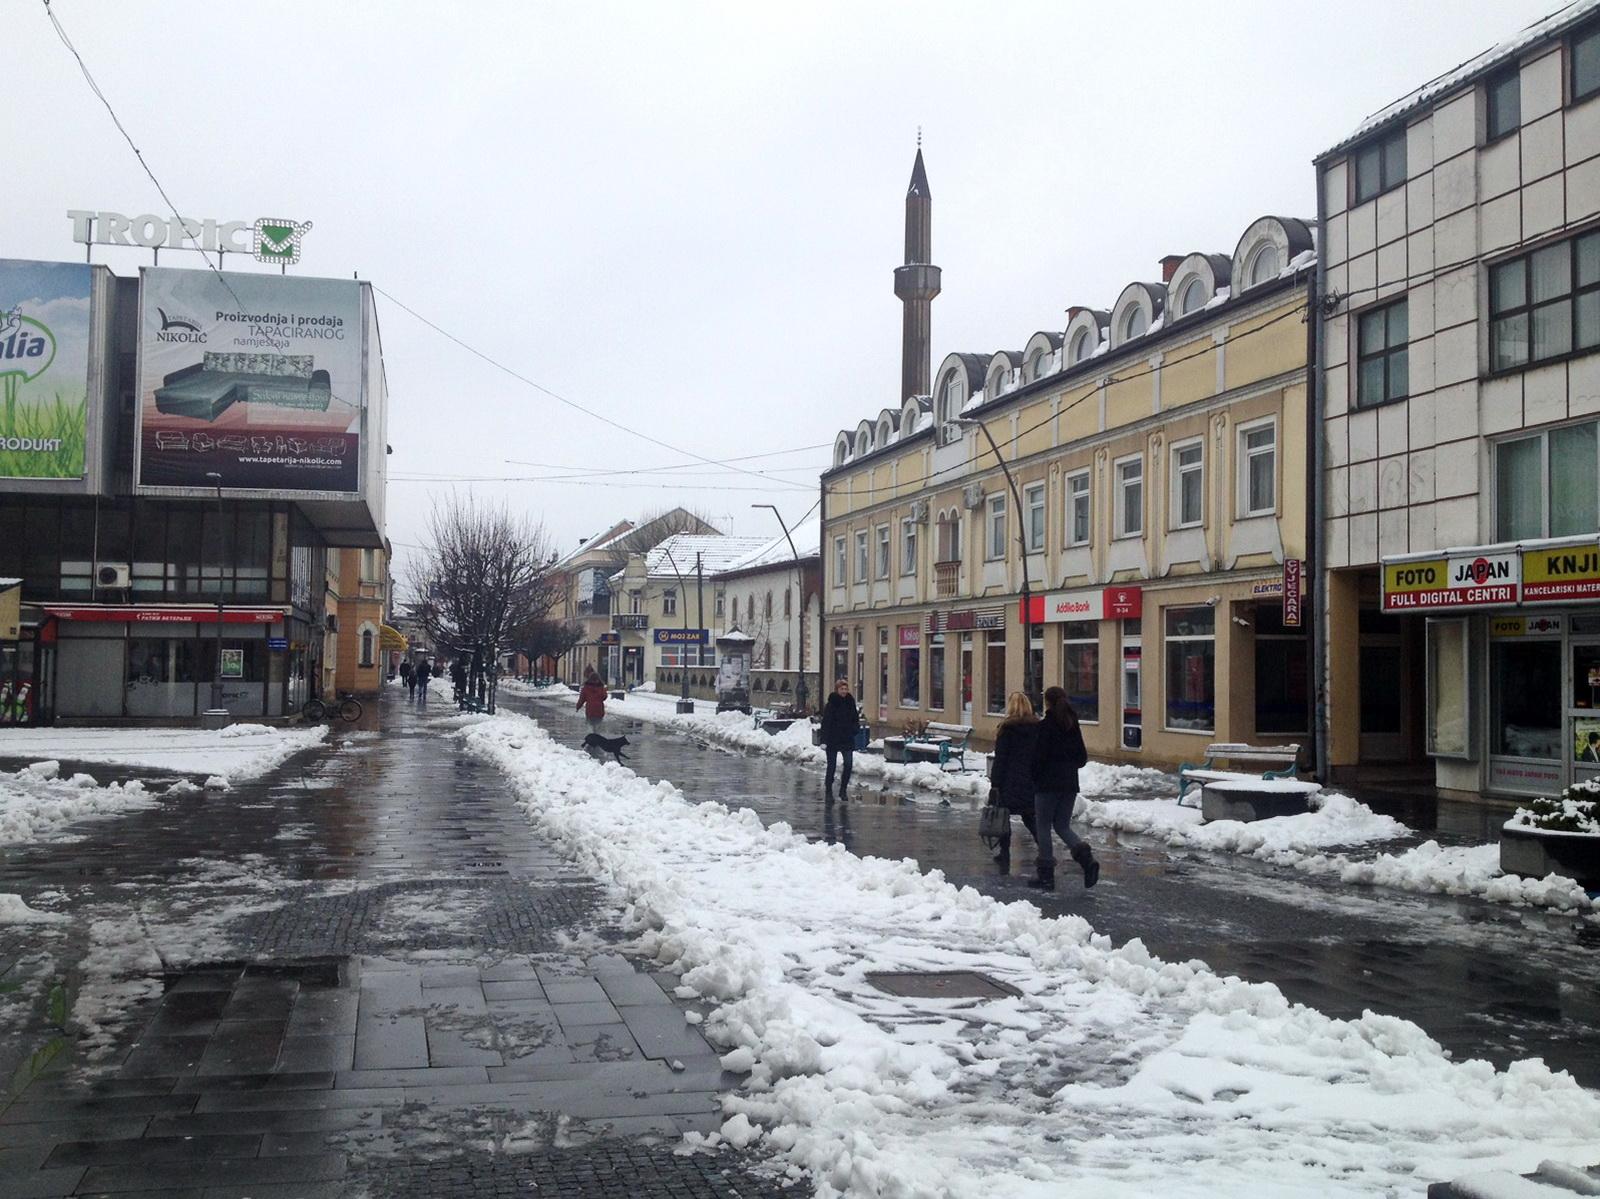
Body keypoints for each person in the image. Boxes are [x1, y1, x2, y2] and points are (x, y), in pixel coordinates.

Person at [1028, 685, 1099, 891]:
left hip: (1047, 785)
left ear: (1047, 702)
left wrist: (1035, 776)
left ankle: (1046, 876)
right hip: (1069, 784)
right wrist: (1067, 768)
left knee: (1043, 826)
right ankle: (1087, 860)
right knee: (1062, 825)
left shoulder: (1045, 726)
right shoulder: (1072, 725)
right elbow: (1082, 758)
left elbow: (1038, 758)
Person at [988, 691, 1042, 874]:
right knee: (1029, 816)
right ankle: (1044, 849)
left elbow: (1000, 759)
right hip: (1031, 778)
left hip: (1009, 779)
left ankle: (1004, 852)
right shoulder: (1038, 728)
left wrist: (995, 783)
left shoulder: (1006, 729)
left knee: (1004, 817)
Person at [819, 678, 860, 801]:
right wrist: (824, 740)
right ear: (837, 690)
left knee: (848, 764)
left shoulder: (850, 702)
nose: (844, 691)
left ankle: (843, 790)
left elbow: (855, 719)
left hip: (846, 738)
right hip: (832, 738)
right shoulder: (831, 704)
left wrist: (854, 730)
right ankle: (829, 790)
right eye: (842, 689)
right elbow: (826, 723)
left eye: (846, 689)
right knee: (831, 766)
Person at [577, 667, 608, 734]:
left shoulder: (586, 688)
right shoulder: (601, 687)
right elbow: (604, 697)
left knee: (590, 725)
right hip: (599, 709)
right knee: (598, 726)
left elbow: (582, 699)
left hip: (590, 709)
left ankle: (591, 738)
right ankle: (597, 738)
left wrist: (578, 707)